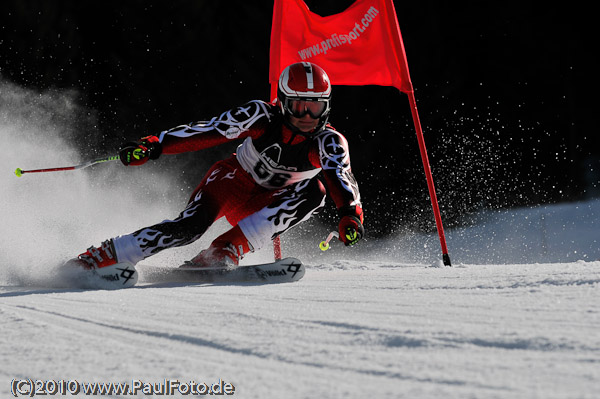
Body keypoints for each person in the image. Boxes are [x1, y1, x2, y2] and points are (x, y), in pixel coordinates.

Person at [68, 62, 364, 273]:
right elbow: (210, 130)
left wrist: (350, 215)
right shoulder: (261, 115)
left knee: (317, 190)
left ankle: (224, 248)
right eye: (300, 106)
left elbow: (340, 175)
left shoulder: (329, 141)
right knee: (189, 228)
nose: (308, 116)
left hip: (267, 204)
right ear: (284, 102)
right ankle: (104, 255)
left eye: (316, 107)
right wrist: (155, 144)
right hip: (232, 181)